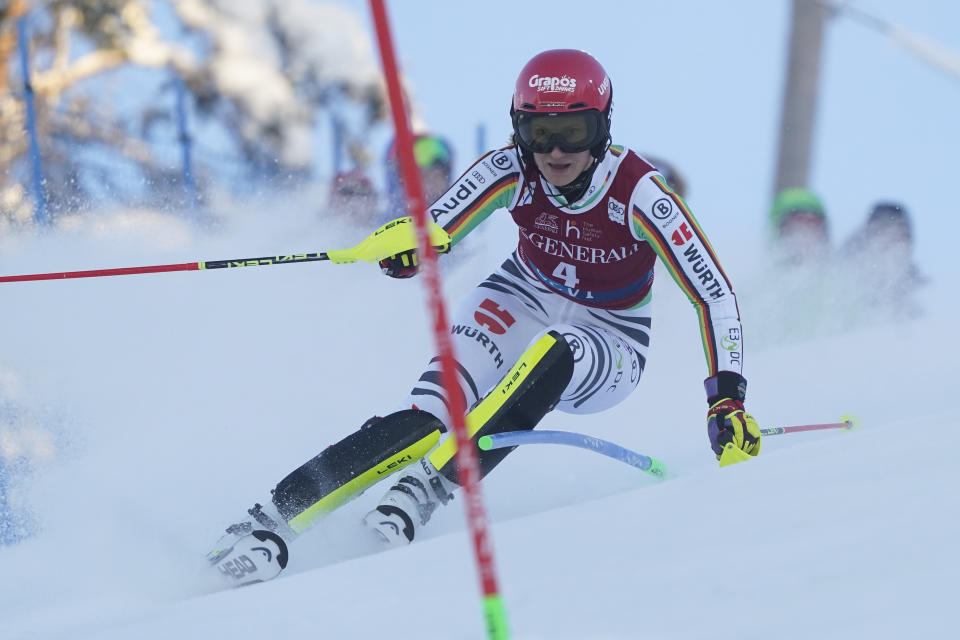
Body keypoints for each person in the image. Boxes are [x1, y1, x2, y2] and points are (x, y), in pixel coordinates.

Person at [208, 49, 761, 586]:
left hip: (610, 336)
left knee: (559, 347)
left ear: (603, 128)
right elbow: (437, 227)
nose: (555, 152)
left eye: (575, 132)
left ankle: (427, 490)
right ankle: (267, 523)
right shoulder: (510, 167)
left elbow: (712, 294)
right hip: (517, 298)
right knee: (431, 414)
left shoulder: (640, 193)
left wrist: (727, 397)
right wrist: (405, 250)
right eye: (538, 131)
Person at [381, 134, 454, 224]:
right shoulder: (389, 223)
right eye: (426, 177)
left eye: (438, 176)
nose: (434, 183)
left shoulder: (455, 219)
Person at [769, 187, 830, 266]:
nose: (807, 233)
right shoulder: (760, 276)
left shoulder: (840, 273)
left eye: (814, 224)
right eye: (799, 223)